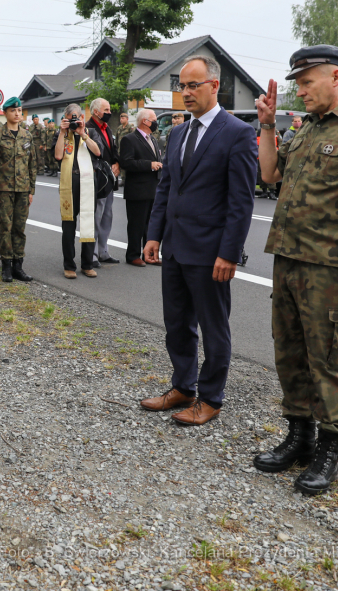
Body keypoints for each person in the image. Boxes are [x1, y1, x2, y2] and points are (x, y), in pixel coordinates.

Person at [253, 44, 338, 496]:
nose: (301, 90)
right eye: (297, 82)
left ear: (335, 77)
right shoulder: (308, 128)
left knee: (330, 360)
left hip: (332, 269)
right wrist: (268, 126)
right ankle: (299, 436)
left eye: (307, 82)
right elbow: (270, 174)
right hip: (289, 260)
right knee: (289, 353)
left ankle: (329, 448)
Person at [141, 55, 256, 426]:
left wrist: (229, 253)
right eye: (182, 86)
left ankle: (211, 398)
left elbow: (241, 202)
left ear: (214, 86)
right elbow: (167, 188)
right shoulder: (177, 132)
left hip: (210, 253)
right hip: (175, 246)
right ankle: (183, 387)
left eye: (193, 85)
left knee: (213, 326)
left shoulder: (236, 132)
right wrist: (154, 234)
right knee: (176, 323)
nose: (185, 93)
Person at [0, 97, 37, 283]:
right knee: (5, 227)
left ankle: (18, 266)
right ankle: (6, 266)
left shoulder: (27, 136)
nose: (17, 114)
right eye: (13, 110)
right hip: (3, 189)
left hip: (23, 189)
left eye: (19, 110)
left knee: (19, 228)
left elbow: (32, 164)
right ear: (5, 113)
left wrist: (32, 189)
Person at [55, 103, 101, 278]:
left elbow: (98, 152)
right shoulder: (62, 134)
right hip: (69, 182)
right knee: (69, 224)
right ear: (65, 119)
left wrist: (83, 134)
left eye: (78, 116)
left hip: (88, 182)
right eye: (71, 117)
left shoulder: (90, 132)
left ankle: (87, 264)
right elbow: (58, 155)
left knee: (88, 220)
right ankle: (69, 265)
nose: (75, 120)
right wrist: (61, 132)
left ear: (82, 117)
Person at [118, 108, 162, 267]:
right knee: (136, 224)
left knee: (150, 225)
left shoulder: (153, 139)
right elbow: (126, 162)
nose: (156, 123)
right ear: (145, 121)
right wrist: (149, 165)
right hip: (137, 190)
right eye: (154, 119)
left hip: (153, 188)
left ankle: (149, 254)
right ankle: (133, 255)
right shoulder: (129, 139)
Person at [86, 98, 119, 266]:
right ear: (96, 112)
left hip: (108, 179)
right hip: (96, 179)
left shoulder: (107, 128)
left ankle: (103, 251)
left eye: (109, 109)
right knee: (95, 216)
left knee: (107, 216)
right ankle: (91, 254)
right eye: (106, 110)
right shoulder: (88, 128)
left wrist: (117, 163)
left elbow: (113, 150)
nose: (109, 112)